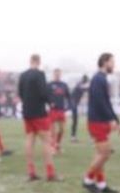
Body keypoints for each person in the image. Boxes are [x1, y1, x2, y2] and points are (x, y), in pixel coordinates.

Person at [83, 52, 120, 193]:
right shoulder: (98, 79)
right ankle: (87, 180)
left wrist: (116, 120)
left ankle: (101, 184)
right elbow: (101, 103)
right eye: (112, 61)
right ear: (105, 62)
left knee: (101, 154)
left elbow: (106, 102)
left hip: (100, 121)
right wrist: (112, 119)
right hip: (97, 122)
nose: (114, 64)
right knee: (105, 154)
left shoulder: (102, 78)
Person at [17, 54, 59, 182]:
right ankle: (50, 173)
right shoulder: (40, 74)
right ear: (39, 62)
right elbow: (43, 92)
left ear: (30, 61)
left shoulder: (23, 75)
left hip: (27, 111)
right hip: (39, 112)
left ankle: (31, 171)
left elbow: (20, 93)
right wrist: (50, 101)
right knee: (46, 141)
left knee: (29, 140)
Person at [47, 68, 72, 154]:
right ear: (53, 74)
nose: (57, 75)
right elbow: (45, 96)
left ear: (61, 74)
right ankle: (52, 147)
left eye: (59, 74)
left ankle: (57, 144)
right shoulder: (49, 85)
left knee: (62, 130)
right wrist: (50, 102)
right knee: (52, 131)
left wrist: (69, 106)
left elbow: (68, 97)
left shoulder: (64, 85)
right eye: (56, 74)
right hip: (53, 110)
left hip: (61, 110)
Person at [69, 74, 89, 143]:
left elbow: (85, 90)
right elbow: (83, 89)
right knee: (75, 120)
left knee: (75, 120)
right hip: (72, 102)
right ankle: (73, 137)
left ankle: (73, 136)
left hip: (74, 103)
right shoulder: (79, 84)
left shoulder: (81, 84)